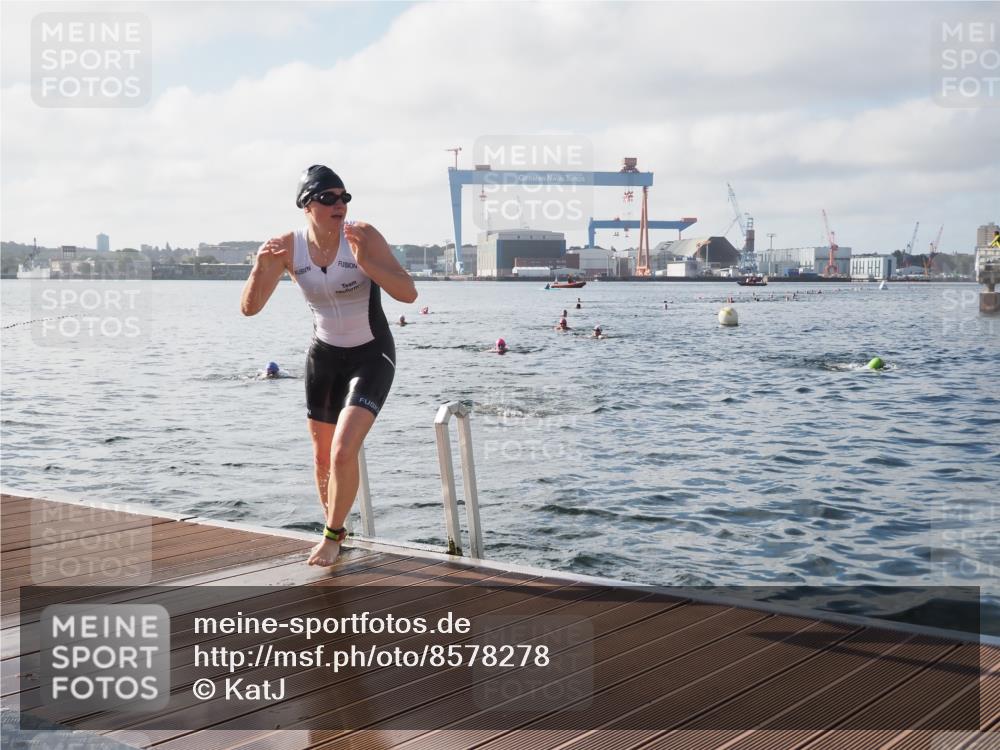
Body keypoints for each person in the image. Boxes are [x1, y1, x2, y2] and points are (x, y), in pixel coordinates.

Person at [240, 164, 417, 567]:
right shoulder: (288, 247)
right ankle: (335, 529)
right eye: (328, 198)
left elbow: (408, 293)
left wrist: (368, 265)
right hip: (324, 357)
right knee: (322, 457)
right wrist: (259, 268)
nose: (339, 204)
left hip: (372, 354)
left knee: (342, 451)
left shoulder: (363, 236)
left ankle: (332, 536)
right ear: (307, 206)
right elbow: (249, 308)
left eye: (344, 197)